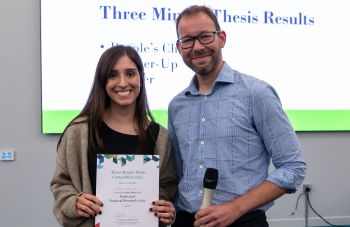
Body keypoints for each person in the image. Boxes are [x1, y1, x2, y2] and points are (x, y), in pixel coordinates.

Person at [168, 5, 307, 227]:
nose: (197, 47)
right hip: (185, 221)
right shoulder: (176, 106)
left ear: (221, 38)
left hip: (244, 221)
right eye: (187, 40)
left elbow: (293, 167)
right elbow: (176, 173)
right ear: (179, 47)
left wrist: (235, 208)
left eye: (205, 36)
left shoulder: (257, 94)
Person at [50, 45, 178, 227]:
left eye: (130, 73)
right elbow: (61, 183)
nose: (123, 83)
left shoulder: (160, 136)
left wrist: (165, 209)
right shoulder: (79, 132)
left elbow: (167, 187)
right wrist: (74, 203)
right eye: (113, 75)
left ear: (141, 78)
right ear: (102, 82)